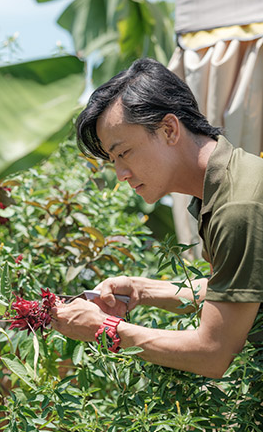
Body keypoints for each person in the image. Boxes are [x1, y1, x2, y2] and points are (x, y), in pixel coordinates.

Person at [51, 57, 263, 379]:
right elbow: (237, 292)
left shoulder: (237, 207)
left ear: (169, 129)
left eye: (123, 153)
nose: (120, 174)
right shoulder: (228, 185)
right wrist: (141, 289)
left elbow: (212, 353)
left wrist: (104, 328)